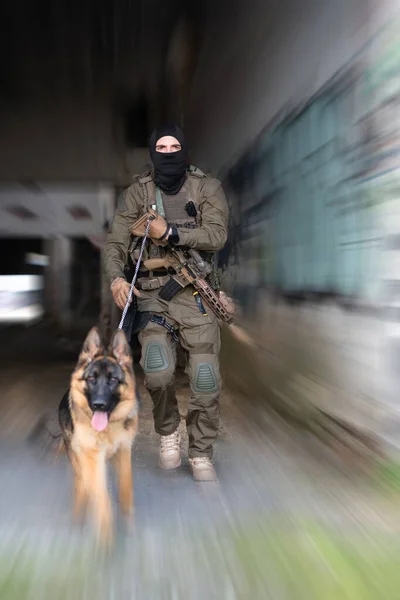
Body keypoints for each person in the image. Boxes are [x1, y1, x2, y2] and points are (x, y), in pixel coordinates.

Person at [104, 124, 229, 481]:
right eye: (162, 146)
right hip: (153, 297)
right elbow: (115, 243)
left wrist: (172, 233)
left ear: (184, 150)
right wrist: (117, 277)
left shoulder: (206, 187)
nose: (169, 152)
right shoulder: (137, 194)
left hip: (195, 297)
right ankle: (168, 431)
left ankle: (201, 452)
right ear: (152, 152)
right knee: (157, 373)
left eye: (175, 146)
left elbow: (217, 235)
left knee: (206, 381)